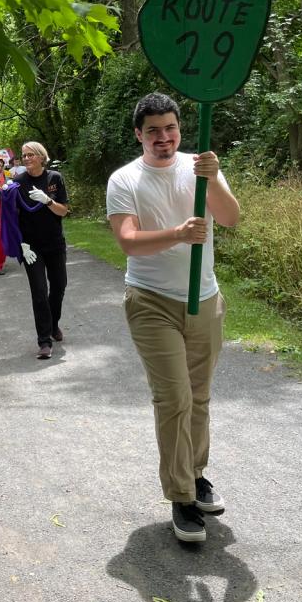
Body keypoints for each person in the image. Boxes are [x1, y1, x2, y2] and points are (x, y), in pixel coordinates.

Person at [106, 93, 239, 544]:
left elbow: (232, 217)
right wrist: (179, 234)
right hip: (151, 302)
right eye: (153, 131)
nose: (163, 138)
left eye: (170, 129)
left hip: (204, 298)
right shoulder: (125, 179)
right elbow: (128, 241)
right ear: (138, 135)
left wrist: (215, 178)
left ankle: (196, 474)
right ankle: (181, 497)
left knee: (199, 397)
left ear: (180, 128)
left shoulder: (199, 166)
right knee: (175, 398)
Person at [12, 142, 70, 360]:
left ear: (40, 156)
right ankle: (44, 340)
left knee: (59, 287)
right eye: (23, 155)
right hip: (31, 247)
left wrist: (47, 200)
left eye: (30, 155)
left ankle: (54, 324)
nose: (26, 158)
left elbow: (63, 211)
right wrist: (21, 244)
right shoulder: (18, 182)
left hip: (54, 243)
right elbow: (11, 217)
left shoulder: (54, 178)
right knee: (38, 292)